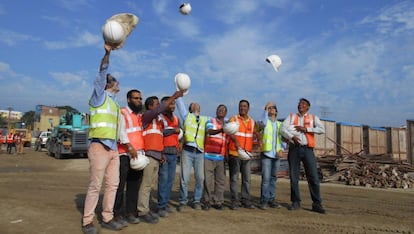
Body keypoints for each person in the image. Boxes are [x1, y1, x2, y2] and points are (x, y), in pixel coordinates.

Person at [81, 43, 123, 234]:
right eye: (114, 80)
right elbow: (101, 73)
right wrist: (107, 54)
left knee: (112, 184)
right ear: (108, 84)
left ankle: (107, 217)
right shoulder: (99, 97)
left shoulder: (115, 104)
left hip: (113, 148)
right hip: (98, 146)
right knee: (95, 185)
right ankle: (88, 221)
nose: (117, 82)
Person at [137, 92, 183, 224]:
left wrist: (162, 153)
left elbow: (159, 138)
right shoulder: (147, 116)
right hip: (149, 154)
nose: (161, 106)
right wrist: (174, 96)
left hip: (158, 155)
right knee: (146, 185)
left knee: (150, 184)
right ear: (151, 106)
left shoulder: (158, 121)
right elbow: (160, 111)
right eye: (158, 104)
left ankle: (146, 208)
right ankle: (143, 211)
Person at [281, 98, 326, 214]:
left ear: (308, 107)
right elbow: (282, 129)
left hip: (308, 149)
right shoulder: (291, 117)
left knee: (313, 177)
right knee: (293, 176)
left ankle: (317, 203)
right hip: (294, 149)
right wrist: (292, 137)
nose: (301, 105)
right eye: (300, 104)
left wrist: (306, 129)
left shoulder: (313, 118)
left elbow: (322, 130)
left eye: (304, 104)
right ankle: (295, 202)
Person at [112, 89, 144, 227]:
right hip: (124, 154)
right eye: (136, 98)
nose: (139, 100)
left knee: (134, 185)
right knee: (120, 185)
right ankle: (117, 213)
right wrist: (129, 147)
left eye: (140, 98)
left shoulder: (139, 115)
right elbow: (120, 132)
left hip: (138, 155)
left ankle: (131, 212)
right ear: (128, 100)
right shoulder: (122, 112)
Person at [175, 99, 209, 211]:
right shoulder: (187, 116)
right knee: (185, 177)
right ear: (190, 108)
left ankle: (196, 200)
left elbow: (216, 124)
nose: (196, 104)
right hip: (188, 151)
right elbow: (180, 105)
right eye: (193, 104)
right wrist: (179, 93)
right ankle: (183, 201)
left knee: (200, 178)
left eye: (197, 104)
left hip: (199, 152)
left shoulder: (205, 119)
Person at [228, 99, 261, 210]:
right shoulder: (234, 119)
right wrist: (236, 141)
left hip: (246, 154)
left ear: (248, 108)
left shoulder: (252, 122)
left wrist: (258, 142)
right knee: (234, 178)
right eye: (241, 106)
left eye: (244, 106)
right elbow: (228, 131)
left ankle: (245, 200)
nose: (242, 108)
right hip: (235, 152)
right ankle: (234, 201)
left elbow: (256, 133)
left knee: (247, 178)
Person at [157, 96, 181, 217]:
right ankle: (161, 206)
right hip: (164, 153)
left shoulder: (176, 118)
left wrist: (179, 146)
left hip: (173, 153)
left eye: (174, 104)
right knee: (163, 180)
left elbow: (179, 132)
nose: (172, 106)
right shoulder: (160, 118)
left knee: (170, 180)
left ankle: (165, 203)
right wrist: (173, 131)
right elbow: (159, 133)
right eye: (170, 104)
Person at [258, 102, 285, 210]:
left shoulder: (280, 124)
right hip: (267, 153)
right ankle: (264, 200)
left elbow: (283, 139)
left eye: (273, 108)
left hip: (276, 155)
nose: (271, 109)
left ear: (276, 111)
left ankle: (271, 199)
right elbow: (261, 123)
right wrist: (265, 109)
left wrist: (282, 149)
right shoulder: (264, 122)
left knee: (273, 178)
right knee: (266, 178)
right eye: (269, 108)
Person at [202, 104, 228, 211]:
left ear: (226, 113)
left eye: (223, 110)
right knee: (207, 180)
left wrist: (226, 155)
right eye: (219, 109)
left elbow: (227, 141)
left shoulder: (227, 126)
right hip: (208, 155)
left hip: (221, 157)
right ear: (216, 111)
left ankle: (218, 201)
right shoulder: (211, 121)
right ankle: (207, 201)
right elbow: (210, 132)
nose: (221, 111)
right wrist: (222, 130)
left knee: (220, 181)